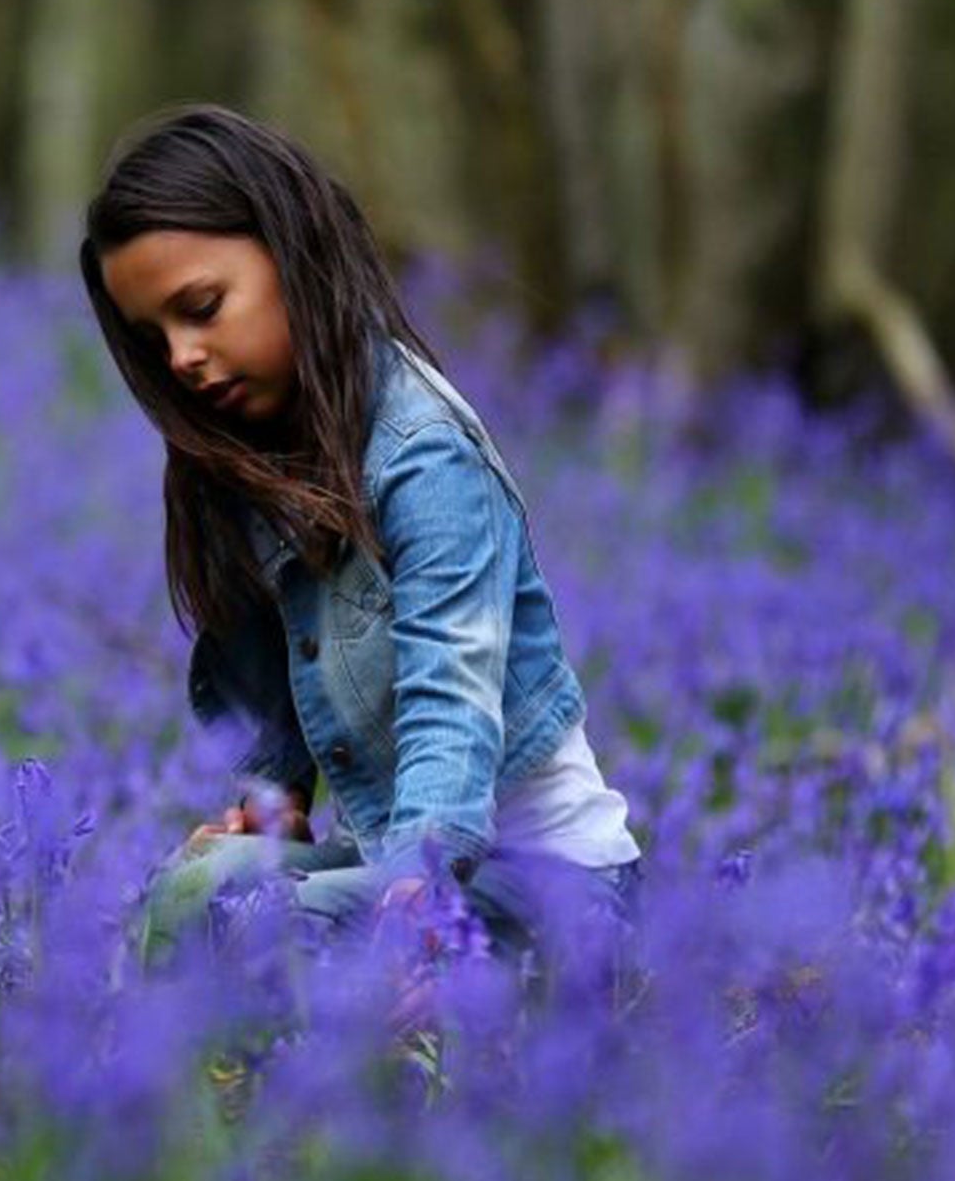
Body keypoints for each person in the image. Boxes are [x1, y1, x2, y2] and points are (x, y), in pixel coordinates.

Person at [79, 104, 642, 975]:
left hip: (552, 893)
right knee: (193, 892)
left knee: (263, 937)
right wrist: (269, 814)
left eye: (202, 308)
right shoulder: (261, 459)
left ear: (289, 249)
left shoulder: (425, 459)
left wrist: (408, 907)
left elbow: (452, 701)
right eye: (157, 340)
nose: (183, 359)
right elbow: (283, 694)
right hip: (406, 869)